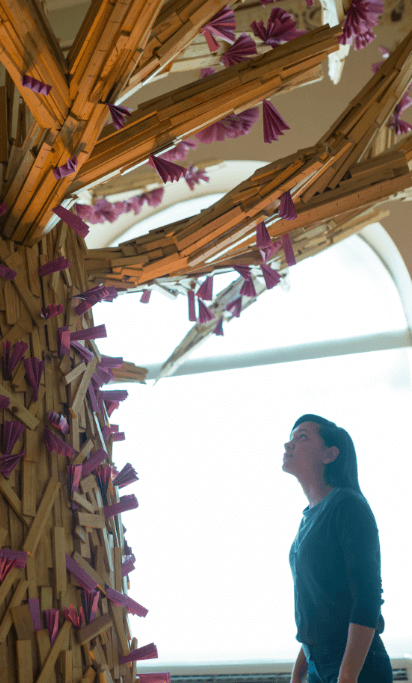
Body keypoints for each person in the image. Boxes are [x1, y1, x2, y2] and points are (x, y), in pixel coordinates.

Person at [283, 414, 393, 683]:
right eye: (291, 437)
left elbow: (367, 597)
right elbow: (321, 610)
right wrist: (298, 674)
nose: (288, 444)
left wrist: (347, 677)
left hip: (355, 669)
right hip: (319, 668)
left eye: (302, 437)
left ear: (330, 455)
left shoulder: (347, 505)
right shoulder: (308, 519)